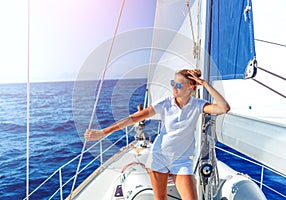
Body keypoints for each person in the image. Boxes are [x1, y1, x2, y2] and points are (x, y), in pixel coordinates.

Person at [84, 68, 230, 200]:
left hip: (182, 160)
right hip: (159, 157)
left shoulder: (198, 105)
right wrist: (103, 132)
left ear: (190, 87)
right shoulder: (165, 103)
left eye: (178, 85)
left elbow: (224, 108)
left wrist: (205, 84)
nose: (174, 87)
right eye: (173, 83)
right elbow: (134, 118)